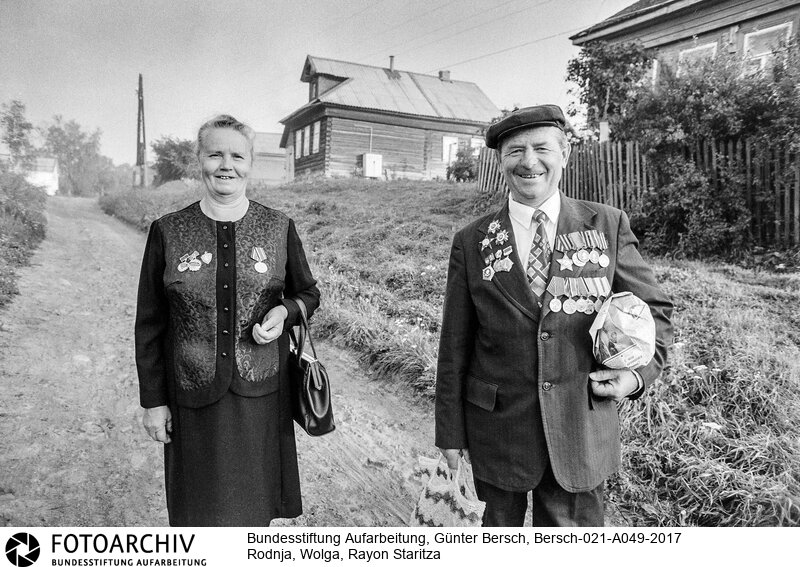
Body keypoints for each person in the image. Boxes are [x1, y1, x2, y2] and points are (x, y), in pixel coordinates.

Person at [435, 105, 673, 527]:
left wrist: (636, 377)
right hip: (497, 431)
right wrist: (449, 434)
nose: (529, 162)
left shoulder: (607, 225)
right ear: (500, 161)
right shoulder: (471, 241)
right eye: (515, 151)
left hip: (581, 429)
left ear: (564, 154)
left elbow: (654, 311)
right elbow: (454, 343)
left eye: (542, 148)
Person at [135, 114, 320, 526]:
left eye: (237, 155)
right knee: (197, 513)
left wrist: (285, 312)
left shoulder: (277, 227)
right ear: (198, 159)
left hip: (261, 394)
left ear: (250, 163)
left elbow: (309, 294)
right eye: (215, 153)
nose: (226, 164)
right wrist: (154, 401)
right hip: (191, 395)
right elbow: (149, 324)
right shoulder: (168, 231)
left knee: (251, 513)